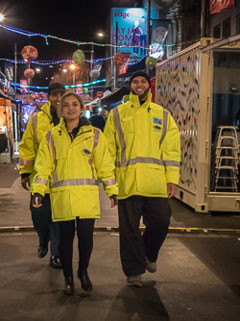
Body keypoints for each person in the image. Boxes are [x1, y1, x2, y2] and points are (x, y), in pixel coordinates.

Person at [31, 92, 118, 295]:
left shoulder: (95, 135)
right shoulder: (52, 136)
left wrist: (112, 190)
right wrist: (38, 191)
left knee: (86, 239)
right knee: (65, 241)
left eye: (75, 104)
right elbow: (44, 166)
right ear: (61, 109)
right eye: (66, 105)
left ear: (81, 108)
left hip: (86, 197)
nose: (71, 108)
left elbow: (105, 165)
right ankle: (68, 277)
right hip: (62, 197)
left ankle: (83, 271)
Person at [104, 70, 181, 287]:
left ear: (149, 85)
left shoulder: (163, 114)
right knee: (129, 231)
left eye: (143, 81)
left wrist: (171, 179)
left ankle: (150, 253)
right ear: (130, 86)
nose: (139, 84)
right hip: (127, 182)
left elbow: (171, 150)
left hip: (155, 182)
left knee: (161, 221)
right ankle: (133, 272)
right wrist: (109, 182)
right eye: (135, 81)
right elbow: (109, 149)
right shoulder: (117, 114)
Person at [19, 82, 66, 268]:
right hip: (40, 177)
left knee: (57, 218)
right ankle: (42, 237)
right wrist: (25, 172)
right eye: (55, 94)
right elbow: (27, 146)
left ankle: (55, 254)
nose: (59, 98)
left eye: (62, 94)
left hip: (63, 177)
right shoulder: (37, 119)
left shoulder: (70, 116)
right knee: (39, 215)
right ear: (49, 97)